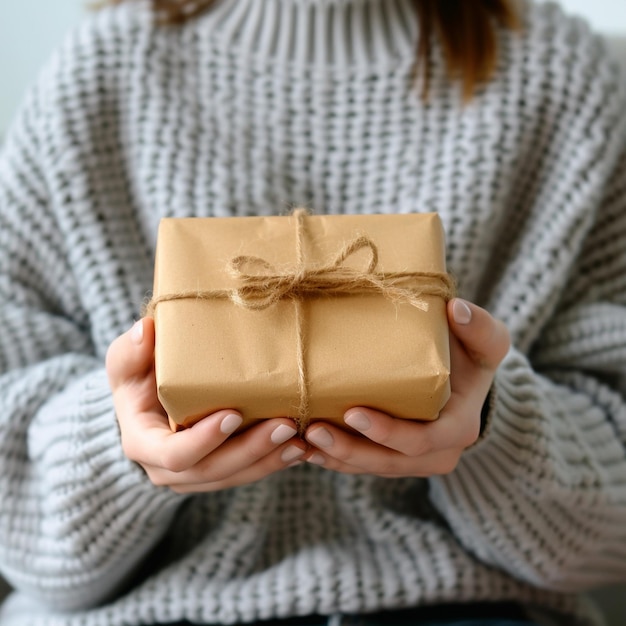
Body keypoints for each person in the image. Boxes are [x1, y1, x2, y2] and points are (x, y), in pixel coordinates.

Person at [0, 0, 624, 625]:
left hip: (462, 605)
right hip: (146, 610)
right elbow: (12, 506)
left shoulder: (566, 78)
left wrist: (495, 428)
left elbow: (611, 528)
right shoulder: (98, 74)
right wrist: (118, 446)